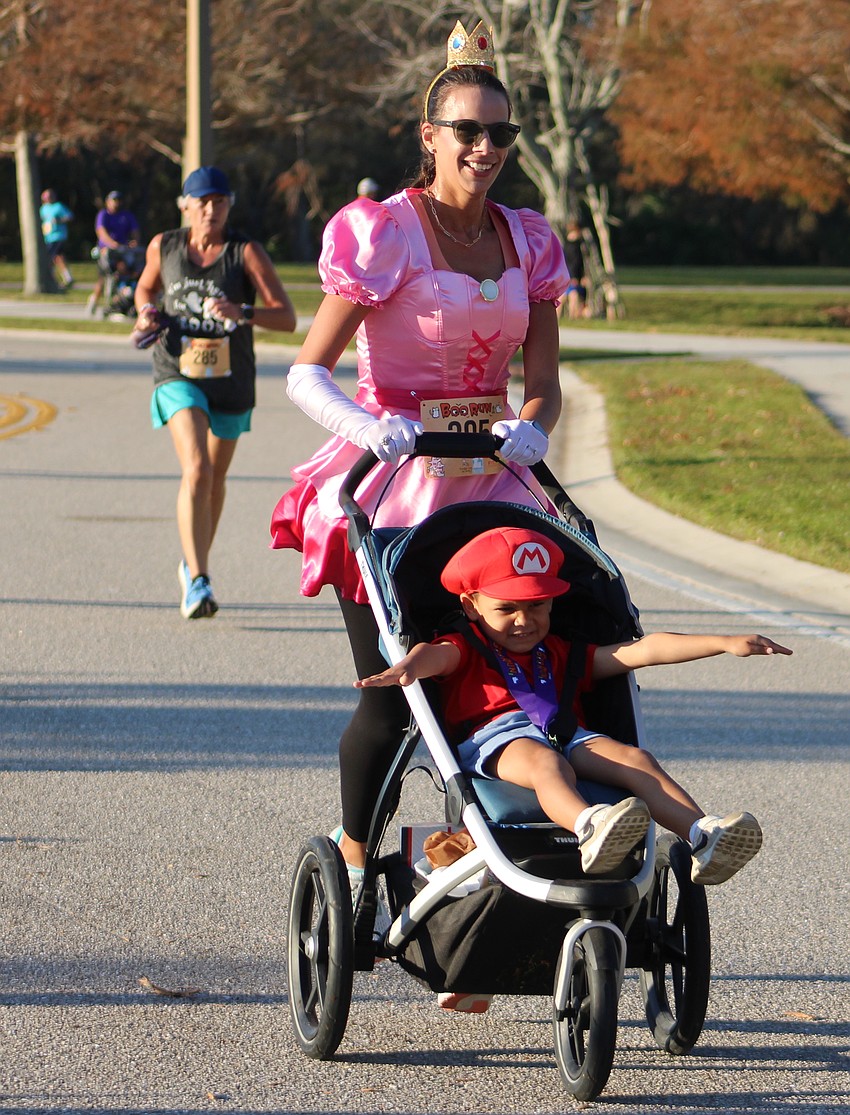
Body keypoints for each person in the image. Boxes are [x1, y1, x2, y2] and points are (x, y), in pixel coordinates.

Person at [270, 19, 569, 899]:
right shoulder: (383, 233)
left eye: (500, 133)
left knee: (507, 687)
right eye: (467, 131)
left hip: (496, 480)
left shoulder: (531, 240)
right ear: (429, 136)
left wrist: (536, 429)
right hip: (394, 484)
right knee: (398, 694)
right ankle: (358, 859)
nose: (484, 148)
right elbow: (305, 372)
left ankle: (484, 868)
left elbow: (542, 382)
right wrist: (367, 428)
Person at [356, 526, 792, 1008]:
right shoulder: (464, 645)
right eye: (508, 608)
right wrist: (409, 665)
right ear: (472, 605)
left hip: (567, 733)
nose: (525, 620)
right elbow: (433, 655)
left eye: (538, 606)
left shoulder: (561, 652)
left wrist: (724, 642)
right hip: (496, 741)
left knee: (634, 759)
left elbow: (639, 651)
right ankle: (590, 826)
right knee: (546, 765)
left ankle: (704, 835)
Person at [132, 166, 297, 619]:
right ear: (184, 205)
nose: (210, 210)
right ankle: (201, 581)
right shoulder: (164, 246)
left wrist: (242, 310)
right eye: (201, 202)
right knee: (198, 468)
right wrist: (146, 310)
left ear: (229, 205)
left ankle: (191, 562)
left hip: (231, 379)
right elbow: (147, 284)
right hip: (176, 371)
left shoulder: (244, 253)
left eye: (219, 201)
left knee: (215, 479)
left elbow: (286, 317)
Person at [87, 191, 142, 316]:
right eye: (113, 200)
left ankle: (118, 302)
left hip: (122, 251)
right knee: (103, 278)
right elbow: (101, 232)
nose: (116, 203)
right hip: (107, 252)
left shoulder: (126, 216)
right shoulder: (103, 215)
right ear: (108, 202)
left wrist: (134, 242)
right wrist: (112, 243)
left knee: (124, 273)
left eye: (118, 200)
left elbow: (135, 232)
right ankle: (94, 301)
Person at [39, 189, 74, 289]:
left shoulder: (58, 206)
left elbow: (70, 216)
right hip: (48, 237)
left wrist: (59, 220)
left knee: (56, 256)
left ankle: (67, 277)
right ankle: (55, 278)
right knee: (53, 258)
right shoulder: (43, 209)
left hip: (58, 236)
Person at [562, 221, 588, 320]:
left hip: (569, 274)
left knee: (565, 295)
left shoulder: (568, 244)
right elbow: (573, 262)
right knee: (573, 295)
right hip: (572, 275)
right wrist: (574, 276)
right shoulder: (573, 246)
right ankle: (572, 316)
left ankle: (560, 317)